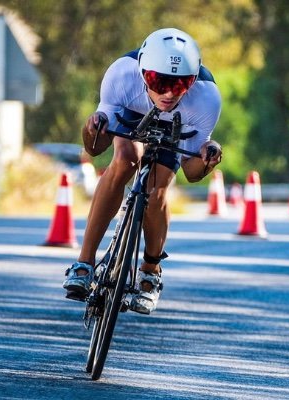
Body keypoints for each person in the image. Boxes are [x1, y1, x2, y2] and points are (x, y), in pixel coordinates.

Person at [63, 28, 222, 314]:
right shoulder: (122, 75)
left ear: (194, 80)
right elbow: (95, 149)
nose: (168, 92)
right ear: (143, 72)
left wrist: (207, 160)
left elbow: (192, 171)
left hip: (177, 125)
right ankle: (84, 263)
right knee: (125, 159)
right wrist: (92, 128)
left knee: (157, 187)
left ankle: (150, 271)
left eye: (181, 83)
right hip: (132, 110)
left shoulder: (206, 97)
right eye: (158, 81)